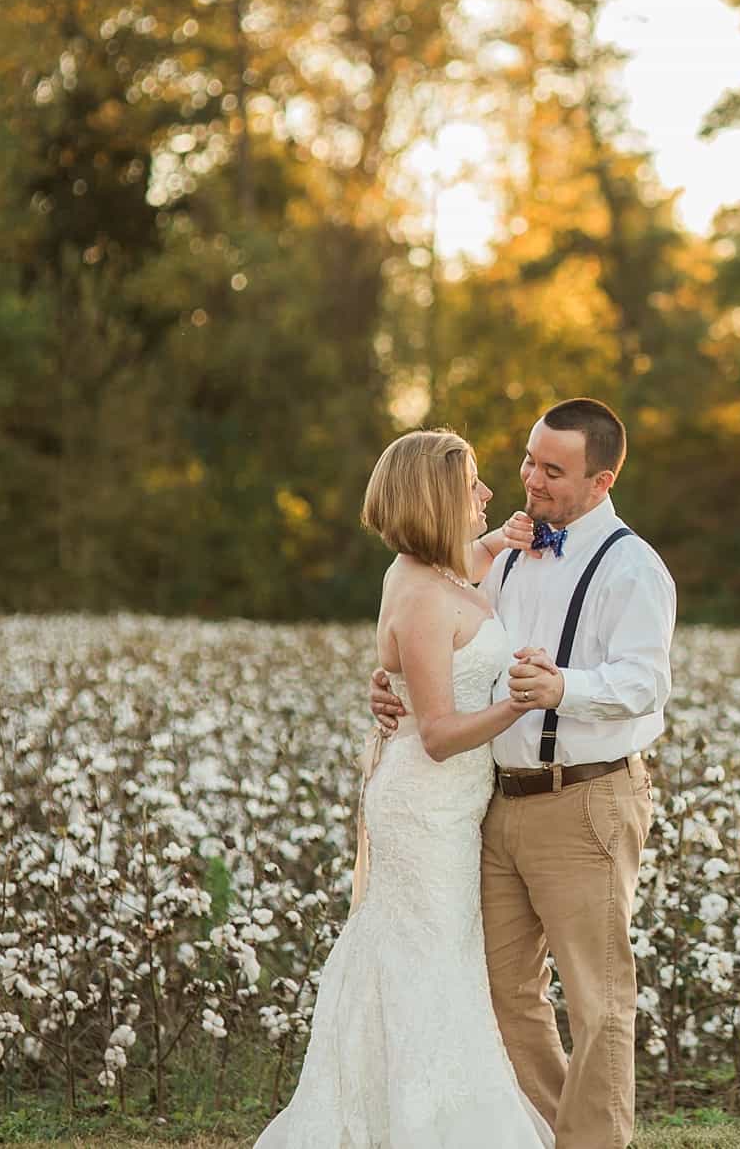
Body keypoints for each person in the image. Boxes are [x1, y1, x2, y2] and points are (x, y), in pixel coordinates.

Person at [369, 398, 677, 1149]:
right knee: (504, 993)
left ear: (601, 482)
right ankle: (548, 1132)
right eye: (529, 461)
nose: (531, 481)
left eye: (553, 470)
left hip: (586, 798)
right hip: (491, 805)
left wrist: (564, 687)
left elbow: (647, 682)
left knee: (598, 999)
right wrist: (391, 682)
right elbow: (439, 631)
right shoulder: (501, 548)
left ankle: (594, 1144)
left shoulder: (632, 566)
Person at [254, 429, 554, 1147]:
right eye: (474, 482)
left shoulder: (429, 574)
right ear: (436, 496)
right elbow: (442, 733)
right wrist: (521, 701)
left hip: (443, 805)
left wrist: (501, 543)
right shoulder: (419, 594)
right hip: (427, 805)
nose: (486, 494)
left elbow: (464, 585)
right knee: (429, 959)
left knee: (431, 957)